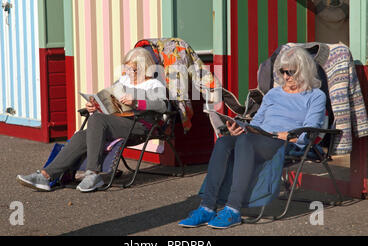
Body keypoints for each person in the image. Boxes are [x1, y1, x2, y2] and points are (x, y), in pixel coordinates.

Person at [179, 46, 326, 229]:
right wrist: (239, 128)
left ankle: (232, 209)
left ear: (304, 70)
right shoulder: (273, 93)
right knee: (225, 142)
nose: (287, 76)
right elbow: (256, 122)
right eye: (283, 71)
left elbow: (311, 130)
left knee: (246, 141)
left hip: (284, 143)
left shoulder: (315, 96)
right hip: (257, 138)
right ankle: (207, 207)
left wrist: (287, 136)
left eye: (291, 72)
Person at [17, 47, 167, 192]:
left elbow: (163, 106)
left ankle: (93, 173)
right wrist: (95, 105)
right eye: (126, 68)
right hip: (117, 122)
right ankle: (46, 176)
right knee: (82, 136)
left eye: (133, 70)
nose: (129, 73)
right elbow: (108, 98)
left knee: (97, 120)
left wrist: (136, 102)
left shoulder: (153, 84)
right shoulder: (123, 81)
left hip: (140, 125)